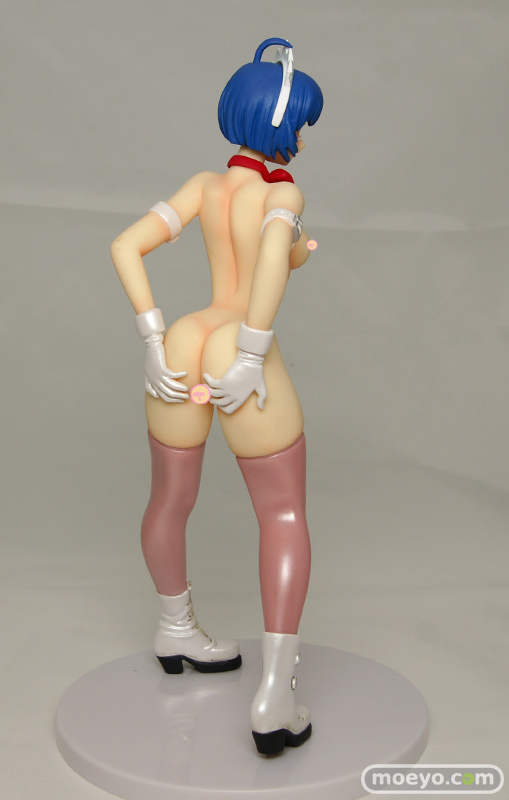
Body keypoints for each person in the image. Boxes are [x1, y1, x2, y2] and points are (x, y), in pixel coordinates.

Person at [110, 37, 323, 755]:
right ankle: (274, 697)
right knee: (282, 512)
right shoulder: (282, 194)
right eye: (301, 124)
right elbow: (270, 264)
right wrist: (253, 354)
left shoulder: (204, 185)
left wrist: (151, 337)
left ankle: (175, 628)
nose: (303, 138)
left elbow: (125, 246)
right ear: (279, 123)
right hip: (236, 343)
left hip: (184, 339)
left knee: (169, 499)